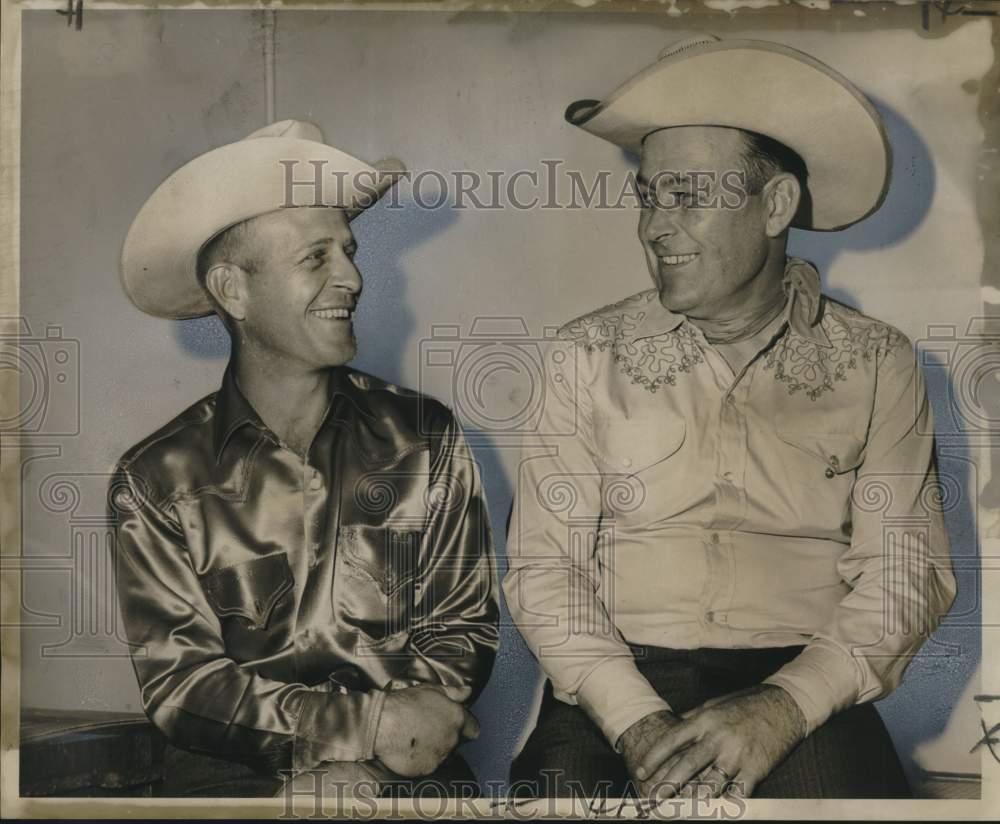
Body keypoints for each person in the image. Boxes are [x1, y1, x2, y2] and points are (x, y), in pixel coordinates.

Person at [503, 36, 957, 799]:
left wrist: (783, 708)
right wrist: (637, 721)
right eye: (649, 196)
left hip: (800, 689)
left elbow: (907, 572)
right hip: (614, 690)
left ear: (775, 205)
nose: (653, 226)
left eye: (686, 197)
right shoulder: (582, 354)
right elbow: (544, 570)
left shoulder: (881, 362)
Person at [111, 120, 499, 797]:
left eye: (347, 251)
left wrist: (377, 751)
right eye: (316, 257)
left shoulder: (424, 435)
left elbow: (461, 626)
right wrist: (347, 734)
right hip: (233, 783)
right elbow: (184, 685)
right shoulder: (154, 479)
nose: (352, 277)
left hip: (407, 765)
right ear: (233, 292)